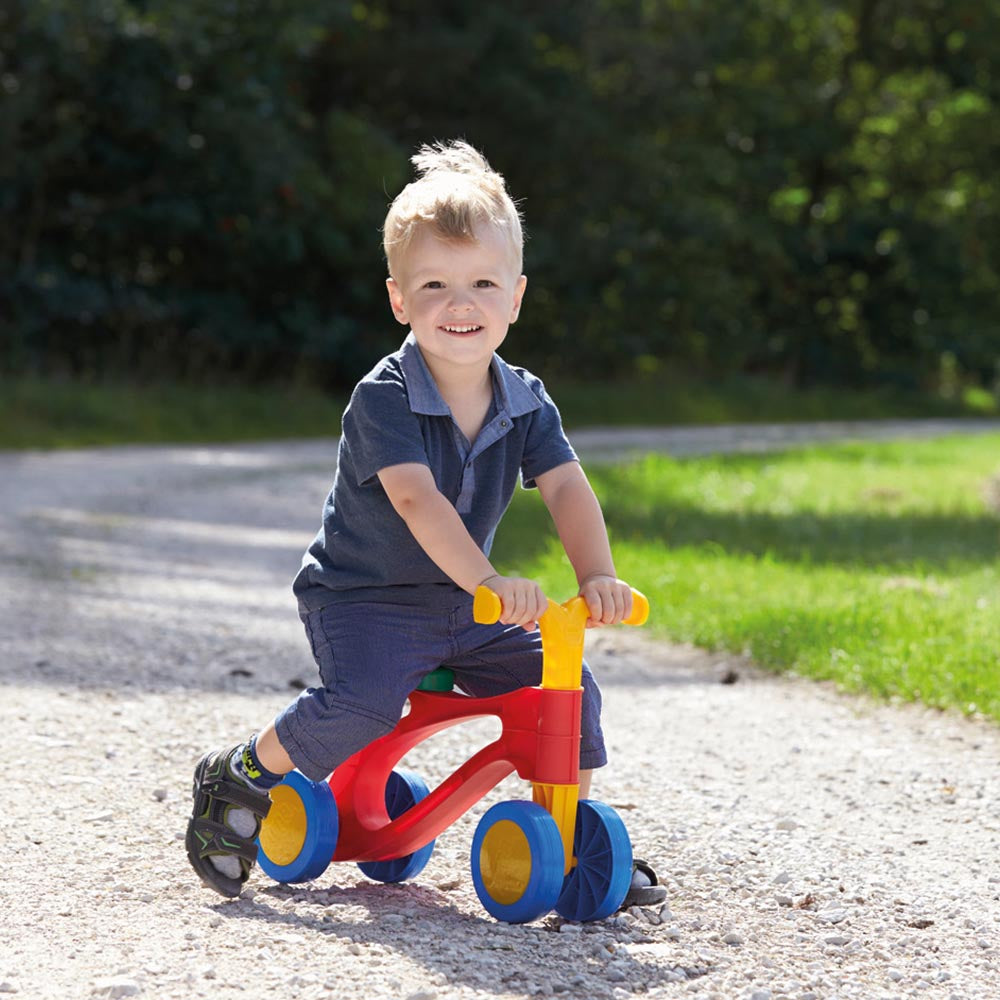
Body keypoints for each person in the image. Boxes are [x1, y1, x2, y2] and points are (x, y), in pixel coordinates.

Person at [185, 140, 666, 910]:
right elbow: (417, 501)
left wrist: (596, 575)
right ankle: (244, 770)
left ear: (515, 297)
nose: (460, 303)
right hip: (365, 596)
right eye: (435, 285)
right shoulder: (385, 395)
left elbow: (568, 487)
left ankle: (567, 831)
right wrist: (486, 578)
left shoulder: (527, 399)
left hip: (463, 606)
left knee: (563, 683)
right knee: (365, 703)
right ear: (399, 299)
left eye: (482, 282)